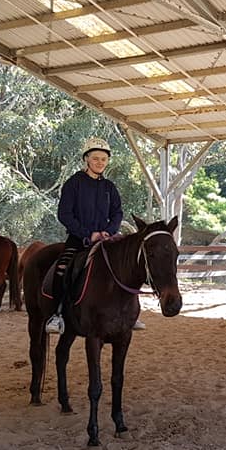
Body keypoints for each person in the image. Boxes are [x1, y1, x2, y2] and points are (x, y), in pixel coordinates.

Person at [45, 137, 146, 333]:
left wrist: (109, 231)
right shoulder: (73, 184)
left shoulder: (109, 187)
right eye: (95, 158)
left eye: (103, 159)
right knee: (63, 269)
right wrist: (87, 234)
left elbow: (117, 213)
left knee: (128, 267)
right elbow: (64, 214)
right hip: (78, 239)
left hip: (106, 239)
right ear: (86, 159)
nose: (100, 162)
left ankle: (131, 315)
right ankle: (57, 315)